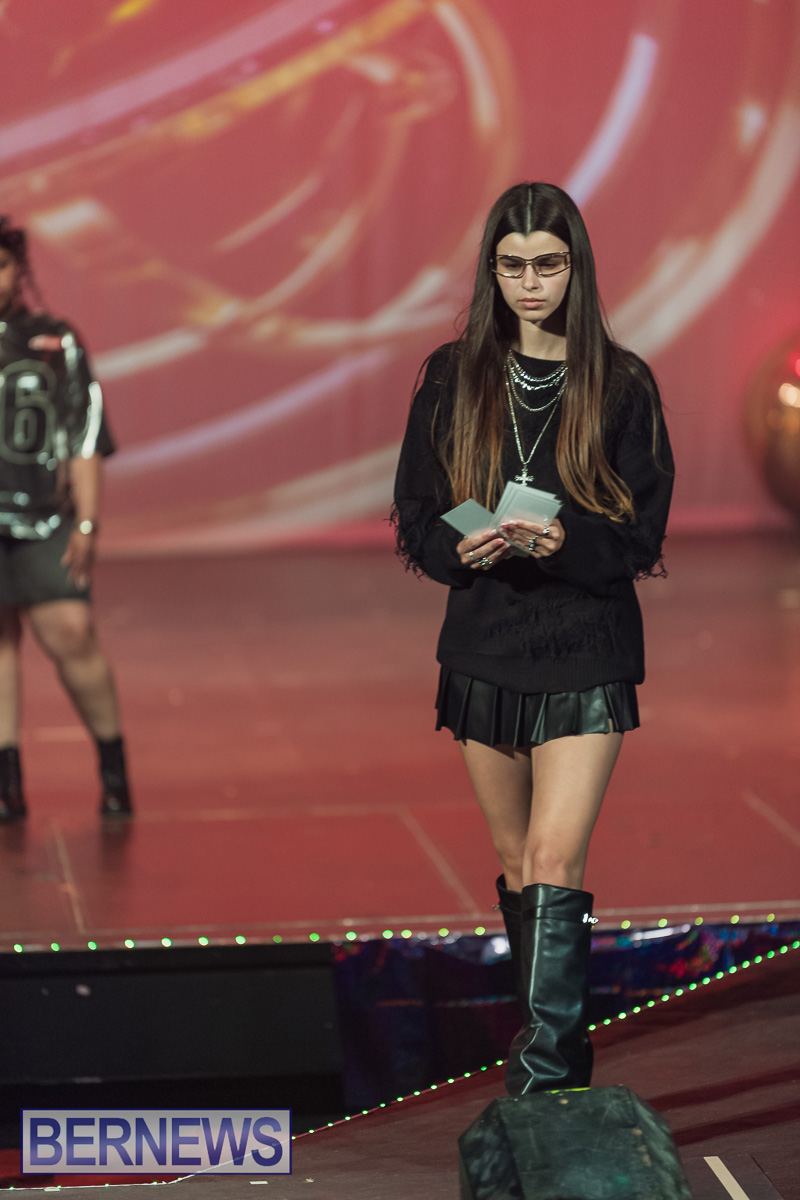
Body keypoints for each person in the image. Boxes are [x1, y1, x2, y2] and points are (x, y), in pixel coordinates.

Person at [393, 182, 673, 1094]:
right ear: (491, 271)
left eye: (547, 265)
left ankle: (548, 1075)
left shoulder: (621, 383)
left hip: (585, 639)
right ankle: (549, 1043)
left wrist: (565, 542)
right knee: (518, 865)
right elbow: (416, 509)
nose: (529, 284)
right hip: (485, 637)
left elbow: (641, 533)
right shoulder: (453, 375)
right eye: (511, 266)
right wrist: (458, 546)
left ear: (575, 267)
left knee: (555, 859)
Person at [0, 216, 132, 821]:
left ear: (17, 269)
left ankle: (112, 762)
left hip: (44, 517)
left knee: (70, 632)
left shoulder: (56, 341)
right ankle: (7, 784)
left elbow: (84, 435)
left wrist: (87, 523)